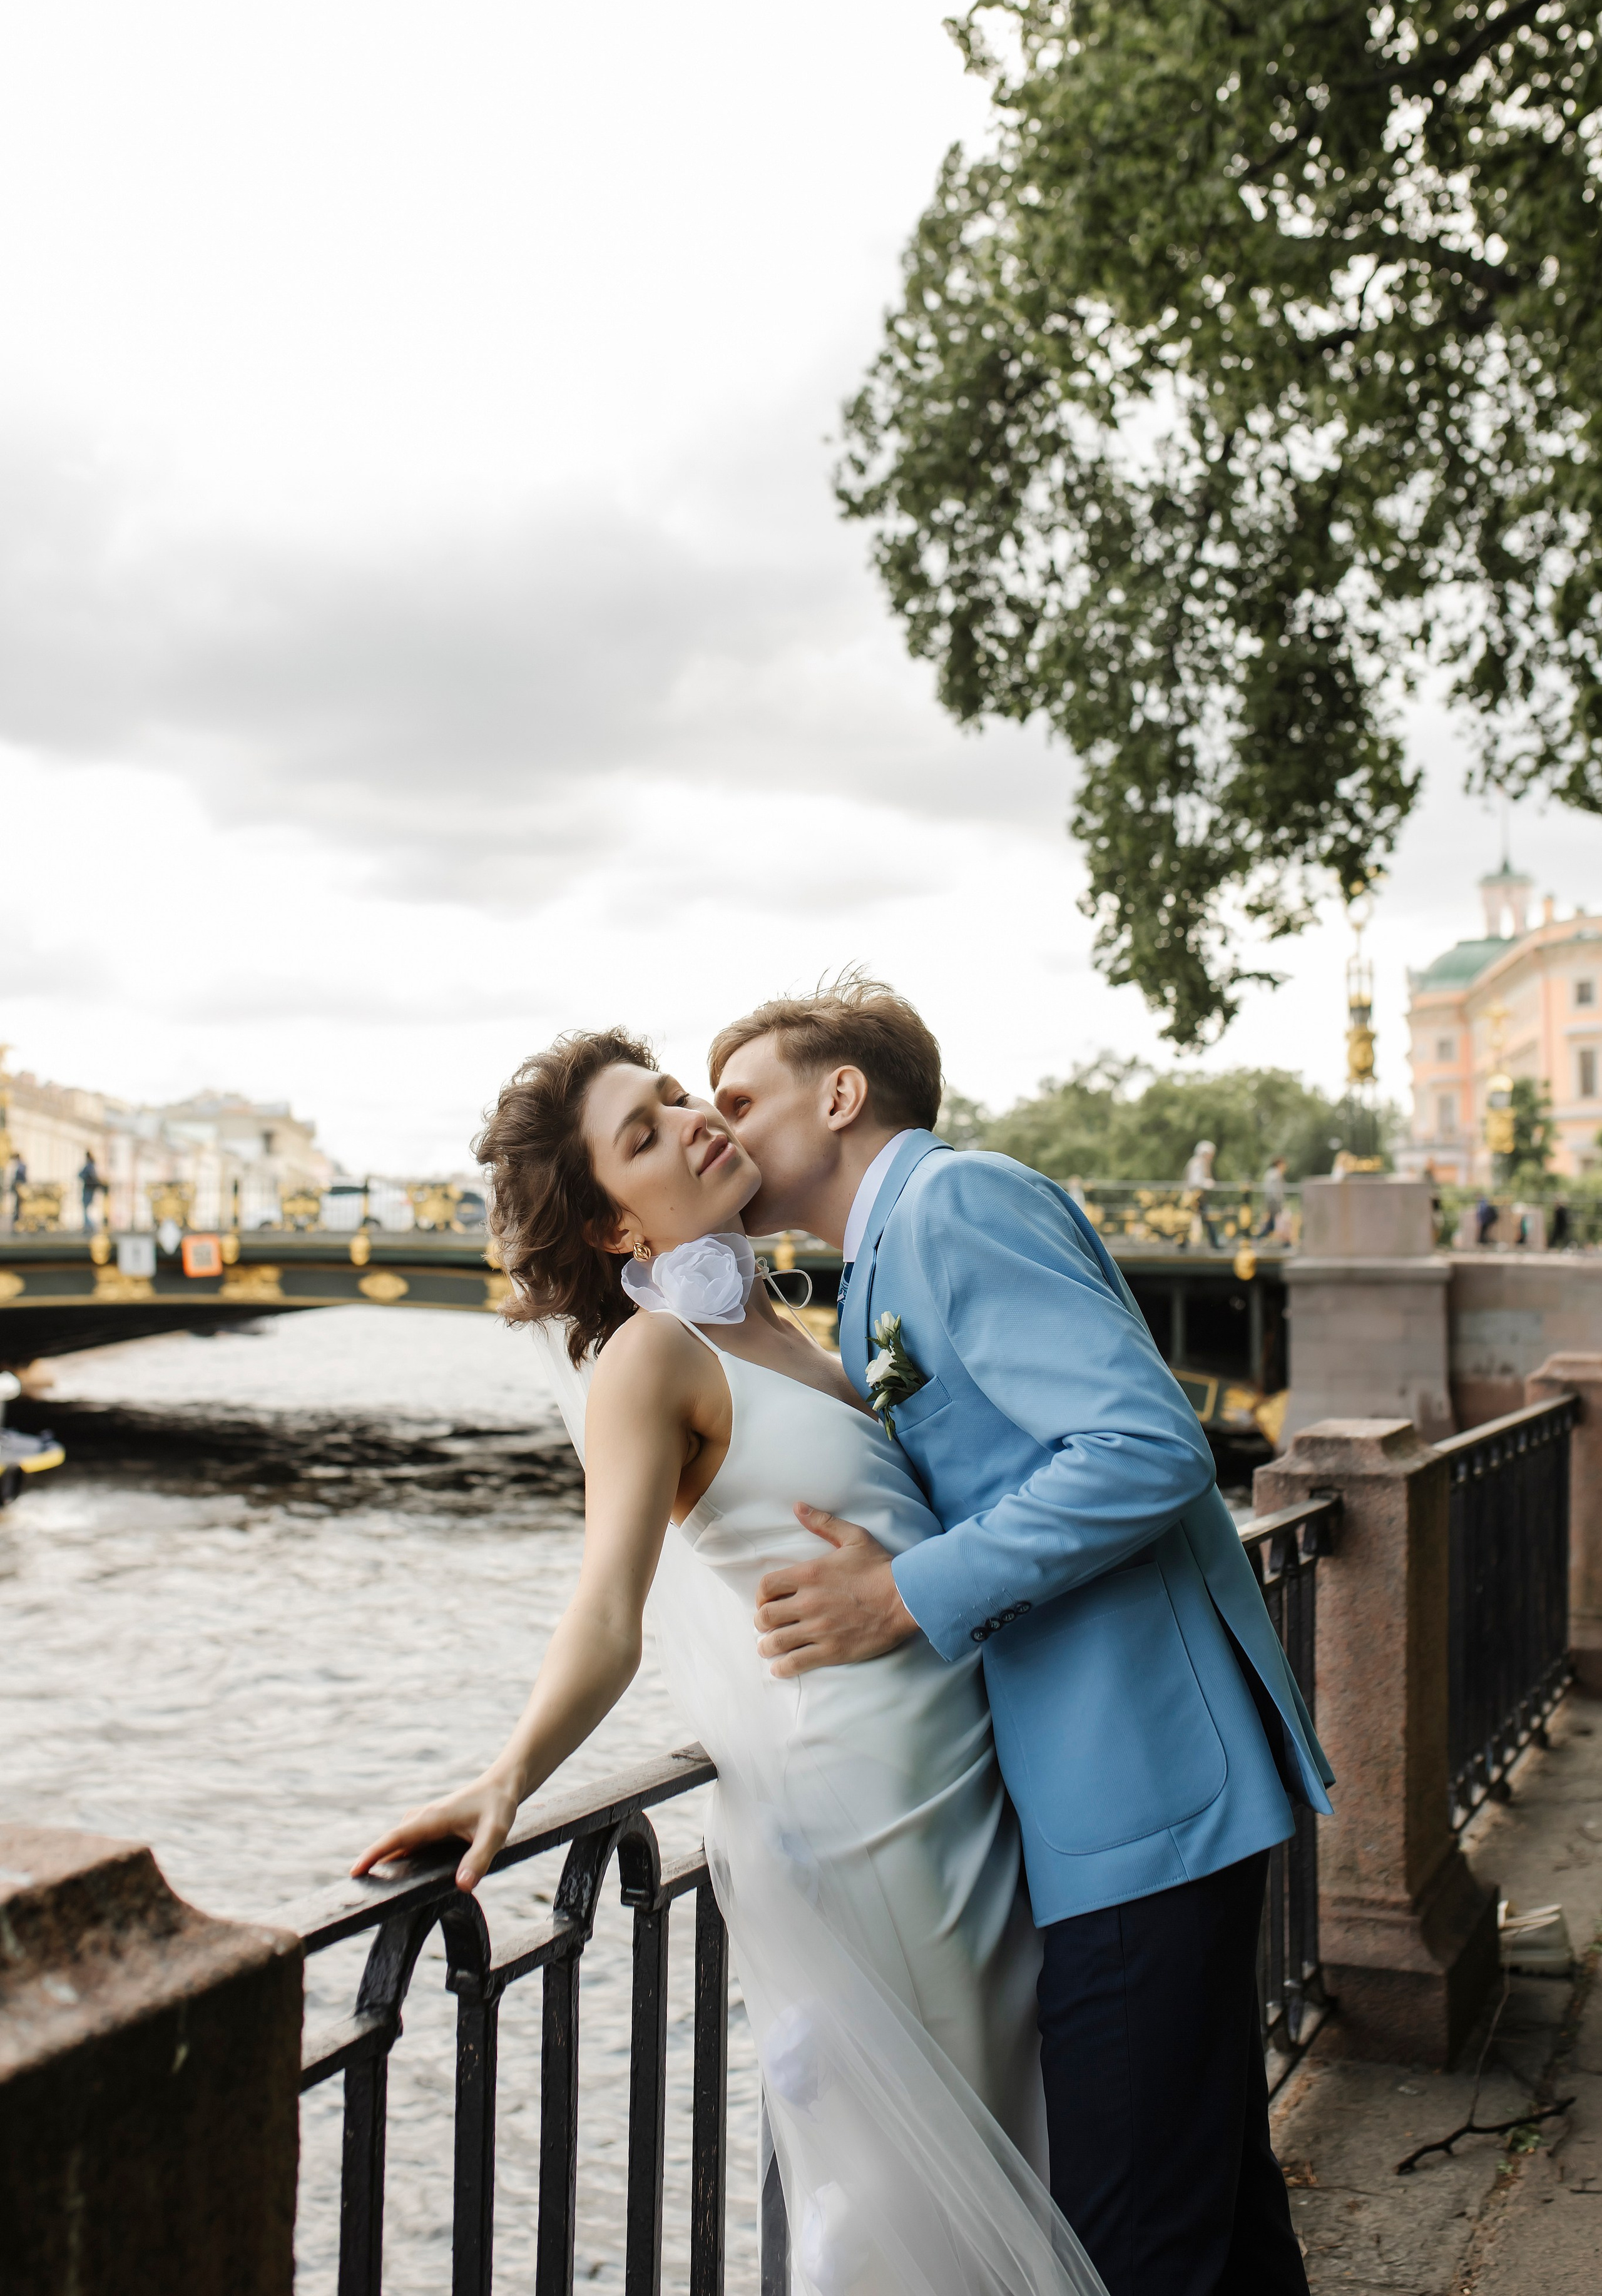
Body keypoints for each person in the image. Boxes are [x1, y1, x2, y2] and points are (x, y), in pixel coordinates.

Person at [353, 1029, 1105, 2296]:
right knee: (913, 2188)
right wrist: (507, 1779)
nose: (694, 1119)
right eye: (643, 1135)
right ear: (611, 1227)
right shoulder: (652, 1359)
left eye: (675, 1096)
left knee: (998, 2144)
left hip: (954, 1773)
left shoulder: (794, 1323)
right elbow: (608, 1613)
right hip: (862, 1807)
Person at [710, 977, 1332, 2296]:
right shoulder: (879, 1256)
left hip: (1138, 1784)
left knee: (1132, 2244)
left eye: (740, 1100)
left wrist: (904, 1595)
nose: (722, 1132)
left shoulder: (953, 1202)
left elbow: (1145, 1446)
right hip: (1111, 1790)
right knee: (1215, 2222)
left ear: (839, 1096)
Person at [1256, 1155, 1288, 1241]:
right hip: (1274, 1201)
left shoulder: (1270, 1173)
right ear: (1279, 1164)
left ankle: (1262, 1236)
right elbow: (1277, 1190)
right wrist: (1280, 1202)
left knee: (1272, 1222)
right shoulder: (1276, 1174)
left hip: (1270, 1200)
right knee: (1278, 1220)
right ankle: (1284, 1240)